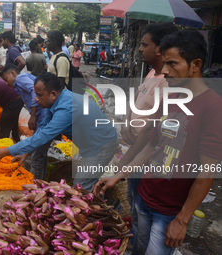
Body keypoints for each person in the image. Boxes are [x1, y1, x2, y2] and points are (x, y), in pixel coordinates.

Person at [94, 30, 222, 255]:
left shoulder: (213, 107)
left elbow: (207, 171)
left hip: (169, 210)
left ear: (196, 64)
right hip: (145, 195)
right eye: (164, 63)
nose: (164, 71)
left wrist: (182, 220)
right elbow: (152, 146)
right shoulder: (169, 98)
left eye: (172, 64)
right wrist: (119, 175)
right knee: (138, 249)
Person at [0, 72, 118, 191]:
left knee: (80, 187)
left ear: (53, 94)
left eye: (39, 95)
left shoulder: (66, 108)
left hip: (101, 146)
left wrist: (4, 151)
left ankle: (100, 210)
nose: (35, 99)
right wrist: (25, 152)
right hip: (91, 146)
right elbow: (43, 129)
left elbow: (42, 136)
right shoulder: (58, 101)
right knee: (85, 183)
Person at [111, 22, 178, 254]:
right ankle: (137, 243)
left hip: (147, 156)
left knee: (143, 209)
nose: (140, 49)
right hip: (135, 149)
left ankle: (140, 246)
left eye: (144, 44)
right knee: (134, 204)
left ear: (159, 49)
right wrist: (128, 122)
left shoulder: (167, 83)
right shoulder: (151, 73)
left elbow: (156, 130)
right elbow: (140, 102)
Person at [0, 64, 49, 179]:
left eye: (6, 79)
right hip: (42, 118)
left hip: (42, 118)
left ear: (13, 74)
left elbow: (34, 90)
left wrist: (32, 115)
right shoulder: (21, 81)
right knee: (40, 154)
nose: (6, 83)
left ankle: (35, 187)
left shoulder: (20, 79)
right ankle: (42, 183)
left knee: (37, 156)